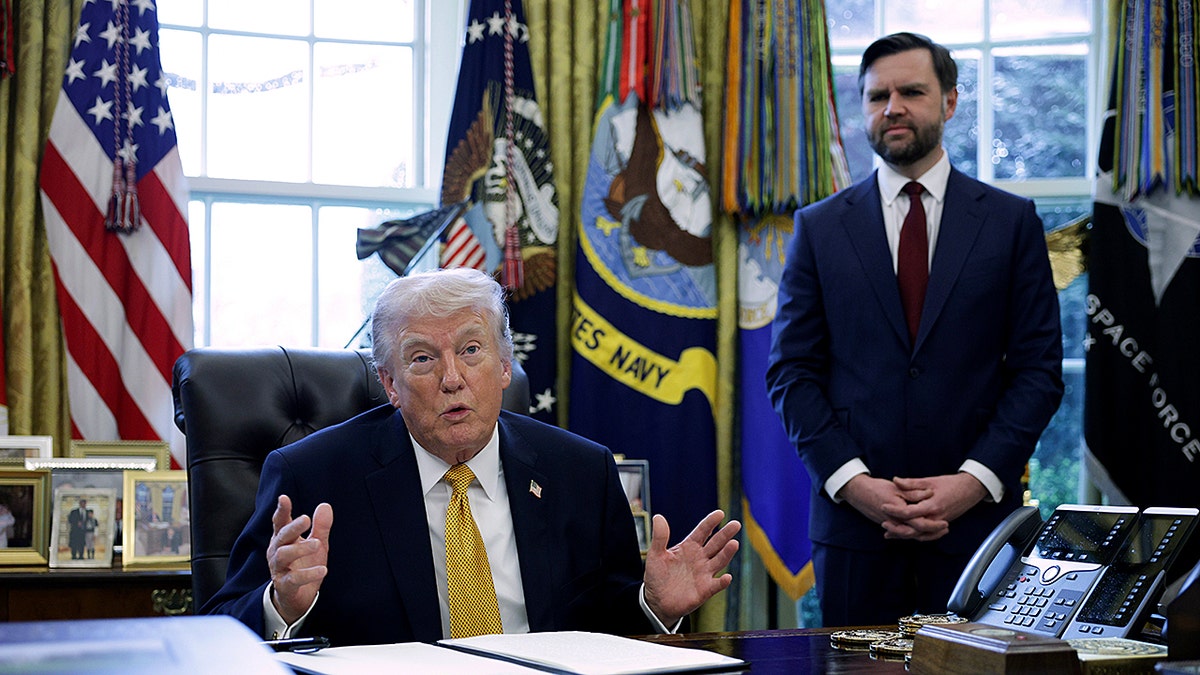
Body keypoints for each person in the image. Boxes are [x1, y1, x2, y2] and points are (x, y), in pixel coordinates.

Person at [204, 267, 741, 646]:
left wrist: (656, 608)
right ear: (389, 383)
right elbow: (219, 626)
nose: (452, 378)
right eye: (422, 358)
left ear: (505, 367)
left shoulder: (581, 472)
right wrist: (283, 604)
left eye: (471, 349)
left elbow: (609, 629)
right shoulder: (312, 476)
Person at [765, 32, 1064, 627]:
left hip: (976, 532)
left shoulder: (1010, 223)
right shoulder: (819, 229)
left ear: (950, 102)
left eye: (911, 91)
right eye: (878, 96)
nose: (892, 106)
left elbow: (1037, 372)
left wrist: (971, 483)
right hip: (855, 535)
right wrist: (855, 485)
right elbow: (790, 373)